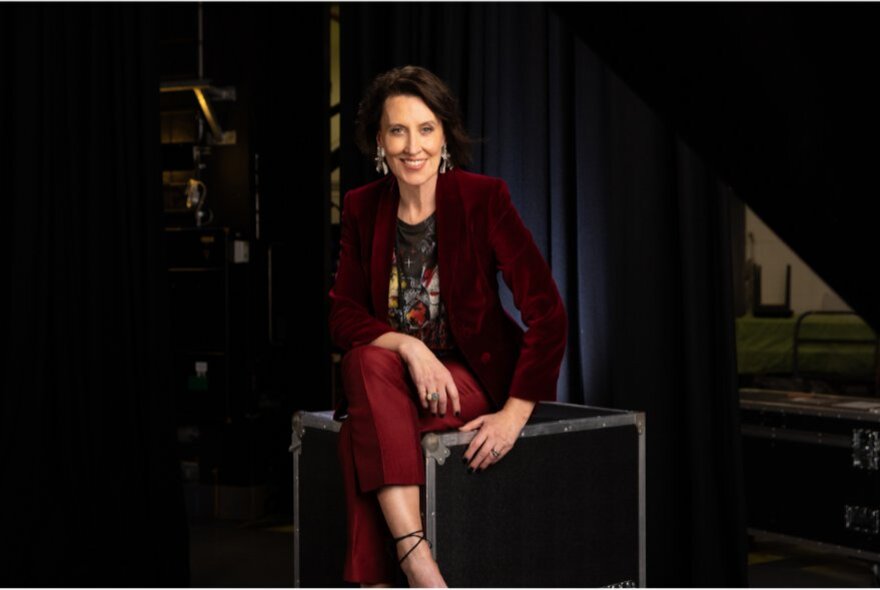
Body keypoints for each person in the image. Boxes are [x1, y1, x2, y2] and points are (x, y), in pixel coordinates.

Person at [328, 65, 567, 588]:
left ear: (444, 135)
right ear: (379, 142)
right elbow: (341, 312)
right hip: (396, 386)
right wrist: (410, 350)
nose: (413, 146)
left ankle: (382, 579)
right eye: (397, 130)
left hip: (469, 385)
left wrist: (513, 414)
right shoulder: (362, 208)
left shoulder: (484, 200)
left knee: (356, 436)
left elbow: (547, 312)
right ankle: (420, 565)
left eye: (426, 128)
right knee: (367, 358)